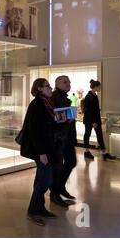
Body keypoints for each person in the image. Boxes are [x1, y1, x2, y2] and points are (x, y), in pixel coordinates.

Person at [20, 78, 58, 226]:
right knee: (45, 181)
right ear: (40, 89)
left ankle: (39, 207)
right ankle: (33, 210)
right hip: (41, 149)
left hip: (47, 147)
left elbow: (48, 125)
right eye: (47, 86)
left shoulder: (46, 103)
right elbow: (35, 131)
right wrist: (41, 153)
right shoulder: (37, 105)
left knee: (42, 179)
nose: (50, 88)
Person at [50, 75, 77, 207]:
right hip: (59, 138)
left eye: (69, 82)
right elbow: (55, 117)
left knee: (71, 161)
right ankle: (54, 193)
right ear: (57, 84)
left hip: (67, 137)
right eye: (65, 82)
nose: (68, 84)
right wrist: (67, 118)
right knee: (58, 166)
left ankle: (60, 187)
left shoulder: (64, 98)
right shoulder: (55, 97)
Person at [83, 79, 116, 160]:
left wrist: (97, 110)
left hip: (96, 119)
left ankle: (104, 153)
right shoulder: (88, 97)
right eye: (99, 86)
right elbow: (87, 111)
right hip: (90, 121)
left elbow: (93, 109)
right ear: (96, 87)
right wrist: (93, 122)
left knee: (100, 135)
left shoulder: (95, 96)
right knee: (87, 134)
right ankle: (86, 151)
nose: (100, 88)